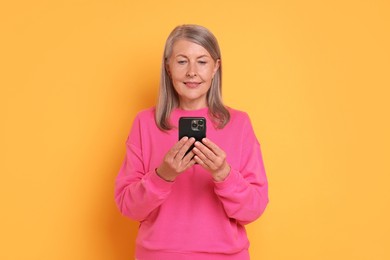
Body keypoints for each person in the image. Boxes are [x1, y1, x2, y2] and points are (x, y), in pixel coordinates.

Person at [115, 24, 269, 260]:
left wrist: (223, 174)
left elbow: (253, 209)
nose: (192, 72)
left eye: (202, 61)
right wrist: (163, 175)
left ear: (216, 67)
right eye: (182, 61)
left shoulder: (239, 123)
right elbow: (128, 207)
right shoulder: (145, 123)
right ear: (168, 67)